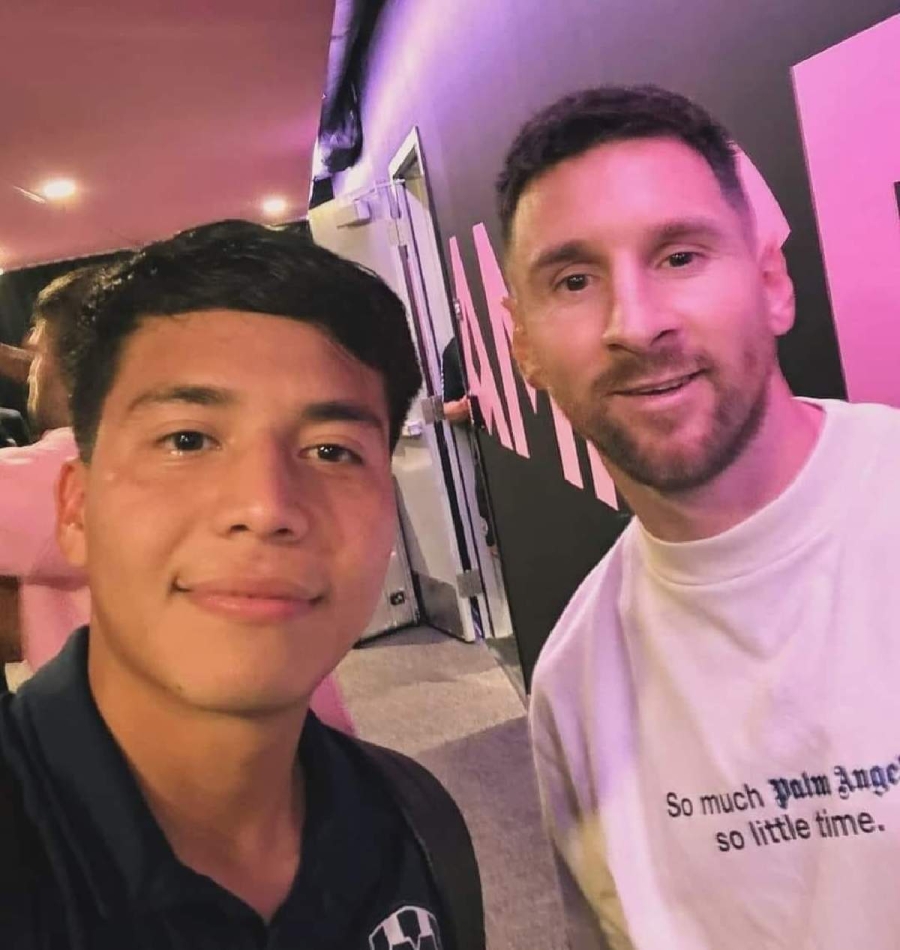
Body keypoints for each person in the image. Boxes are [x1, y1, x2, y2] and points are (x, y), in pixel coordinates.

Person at [0, 221, 481, 947]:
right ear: (76, 507)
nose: (266, 506)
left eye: (331, 450)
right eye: (187, 439)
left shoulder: (416, 820)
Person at [498, 84, 900, 949]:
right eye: (573, 279)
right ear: (522, 342)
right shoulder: (571, 686)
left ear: (771, 283)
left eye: (679, 257)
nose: (635, 325)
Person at [0, 267, 355, 733]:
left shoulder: (75, 465)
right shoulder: (197, 443)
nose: (29, 374)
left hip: (172, 772)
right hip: (289, 738)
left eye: (36, 356)